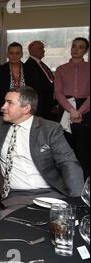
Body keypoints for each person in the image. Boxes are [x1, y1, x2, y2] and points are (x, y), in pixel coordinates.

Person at [0, 86, 84, 213]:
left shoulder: (49, 129)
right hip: (16, 196)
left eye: (9, 103)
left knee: (64, 225)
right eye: (4, 102)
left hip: (51, 193)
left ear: (26, 108)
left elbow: (68, 163)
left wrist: (78, 201)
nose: (3, 107)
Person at [54, 37, 90, 179]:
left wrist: (79, 111)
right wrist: (71, 110)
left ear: (86, 50)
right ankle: (67, 182)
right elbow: (58, 92)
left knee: (84, 150)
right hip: (65, 109)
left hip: (86, 110)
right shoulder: (61, 69)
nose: (76, 49)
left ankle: (85, 186)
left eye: (81, 47)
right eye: (74, 46)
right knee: (65, 149)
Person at [24, 41, 56, 120]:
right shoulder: (29, 66)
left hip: (48, 105)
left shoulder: (40, 64)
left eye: (43, 48)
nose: (43, 50)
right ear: (31, 50)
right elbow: (35, 89)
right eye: (40, 48)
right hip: (41, 108)